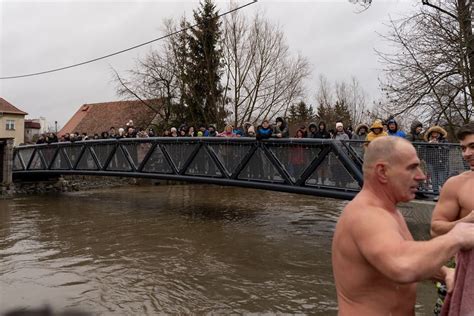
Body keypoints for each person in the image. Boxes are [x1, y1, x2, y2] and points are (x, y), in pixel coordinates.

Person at [332, 136, 474, 316]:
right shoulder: (366, 215)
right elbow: (402, 264)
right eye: (412, 167)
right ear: (382, 172)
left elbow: (406, 252)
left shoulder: (389, 211)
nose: (421, 176)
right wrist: (457, 237)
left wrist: (445, 272)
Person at [430, 122, 474, 315]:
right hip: (464, 276)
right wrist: (468, 220)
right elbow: (435, 228)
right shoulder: (456, 185)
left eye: (473, 147)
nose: (466, 154)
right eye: (463, 148)